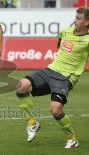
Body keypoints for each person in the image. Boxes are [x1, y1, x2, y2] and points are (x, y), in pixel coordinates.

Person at [15, 7, 89, 149]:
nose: (75, 20)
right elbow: (59, 42)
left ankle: (72, 139)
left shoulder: (87, 40)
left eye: (79, 19)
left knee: (55, 110)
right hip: (50, 70)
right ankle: (32, 122)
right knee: (21, 86)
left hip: (66, 78)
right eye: (75, 17)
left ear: (87, 22)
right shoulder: (66, 31)